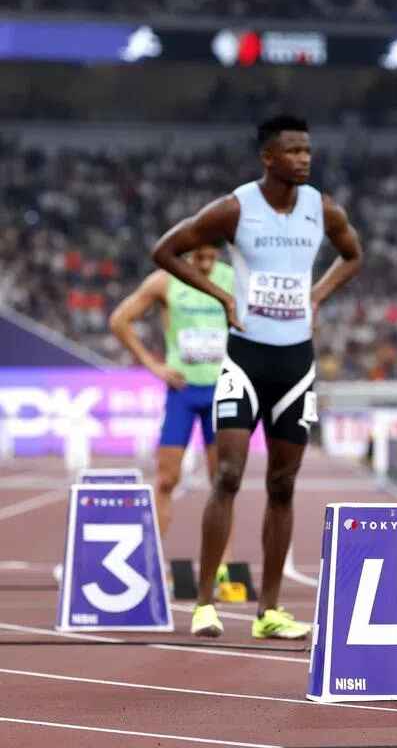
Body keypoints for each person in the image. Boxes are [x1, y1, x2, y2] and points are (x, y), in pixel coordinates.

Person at [151, 114, 363, 639]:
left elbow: (353, 255)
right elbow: (164, 251)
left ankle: (268, 611)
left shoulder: (322, 208)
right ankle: (205, 604)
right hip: (245, 360)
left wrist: (316, 295)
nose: (304, 160)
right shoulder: (235, 207)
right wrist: (223, 296)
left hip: (296, 365)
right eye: (293, 152)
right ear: (268, 157)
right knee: (227, 475)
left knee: (284, 484)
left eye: (308, 151)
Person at [108, 239, 236, 581]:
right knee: (166, 478)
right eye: (199, 257)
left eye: (211, 257)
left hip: (221, 391)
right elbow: (120, 320)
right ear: (186, 254)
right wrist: (154, 366)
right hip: (182, 391)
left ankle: (221, 564)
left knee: (222, 481)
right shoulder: (166, 280)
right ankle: (150, 559)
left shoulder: (233, 279)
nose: (206, 265)